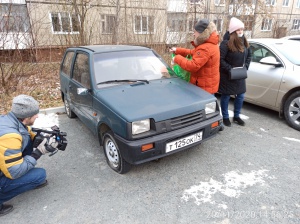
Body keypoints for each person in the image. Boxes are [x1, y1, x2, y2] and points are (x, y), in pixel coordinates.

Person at [0, 94, 59, 216]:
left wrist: (41, 138)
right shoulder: (10, 136)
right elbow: (14, 172)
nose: (37, 116)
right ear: (26, 117)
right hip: (7, 173)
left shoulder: (9, 120)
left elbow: (26, 133)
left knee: (28, 146)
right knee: (39, 175)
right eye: (35, 114)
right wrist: (38, 152)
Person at [170, 19, 220, 94]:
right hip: (207, 85)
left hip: (203, 89)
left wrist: (176, 58)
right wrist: (177, 50)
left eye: (195, 32)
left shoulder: (205, 48)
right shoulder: (210, 44)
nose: (194, 34)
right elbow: (193, 52)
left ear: (202, 33)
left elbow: (193, 66)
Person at [218, 17, 252, 127]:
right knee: (226, 96)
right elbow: (220, 59)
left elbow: (249, 56)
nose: (241, 31)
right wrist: (230, 69)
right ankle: (225, 117)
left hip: (240, 75)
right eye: (238, 29)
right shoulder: (225, 43)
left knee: (241, 96)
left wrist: (245, 67)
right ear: (233, 31)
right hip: (228, 75)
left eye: (242, 29)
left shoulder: (245, 42)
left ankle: (237, 116)